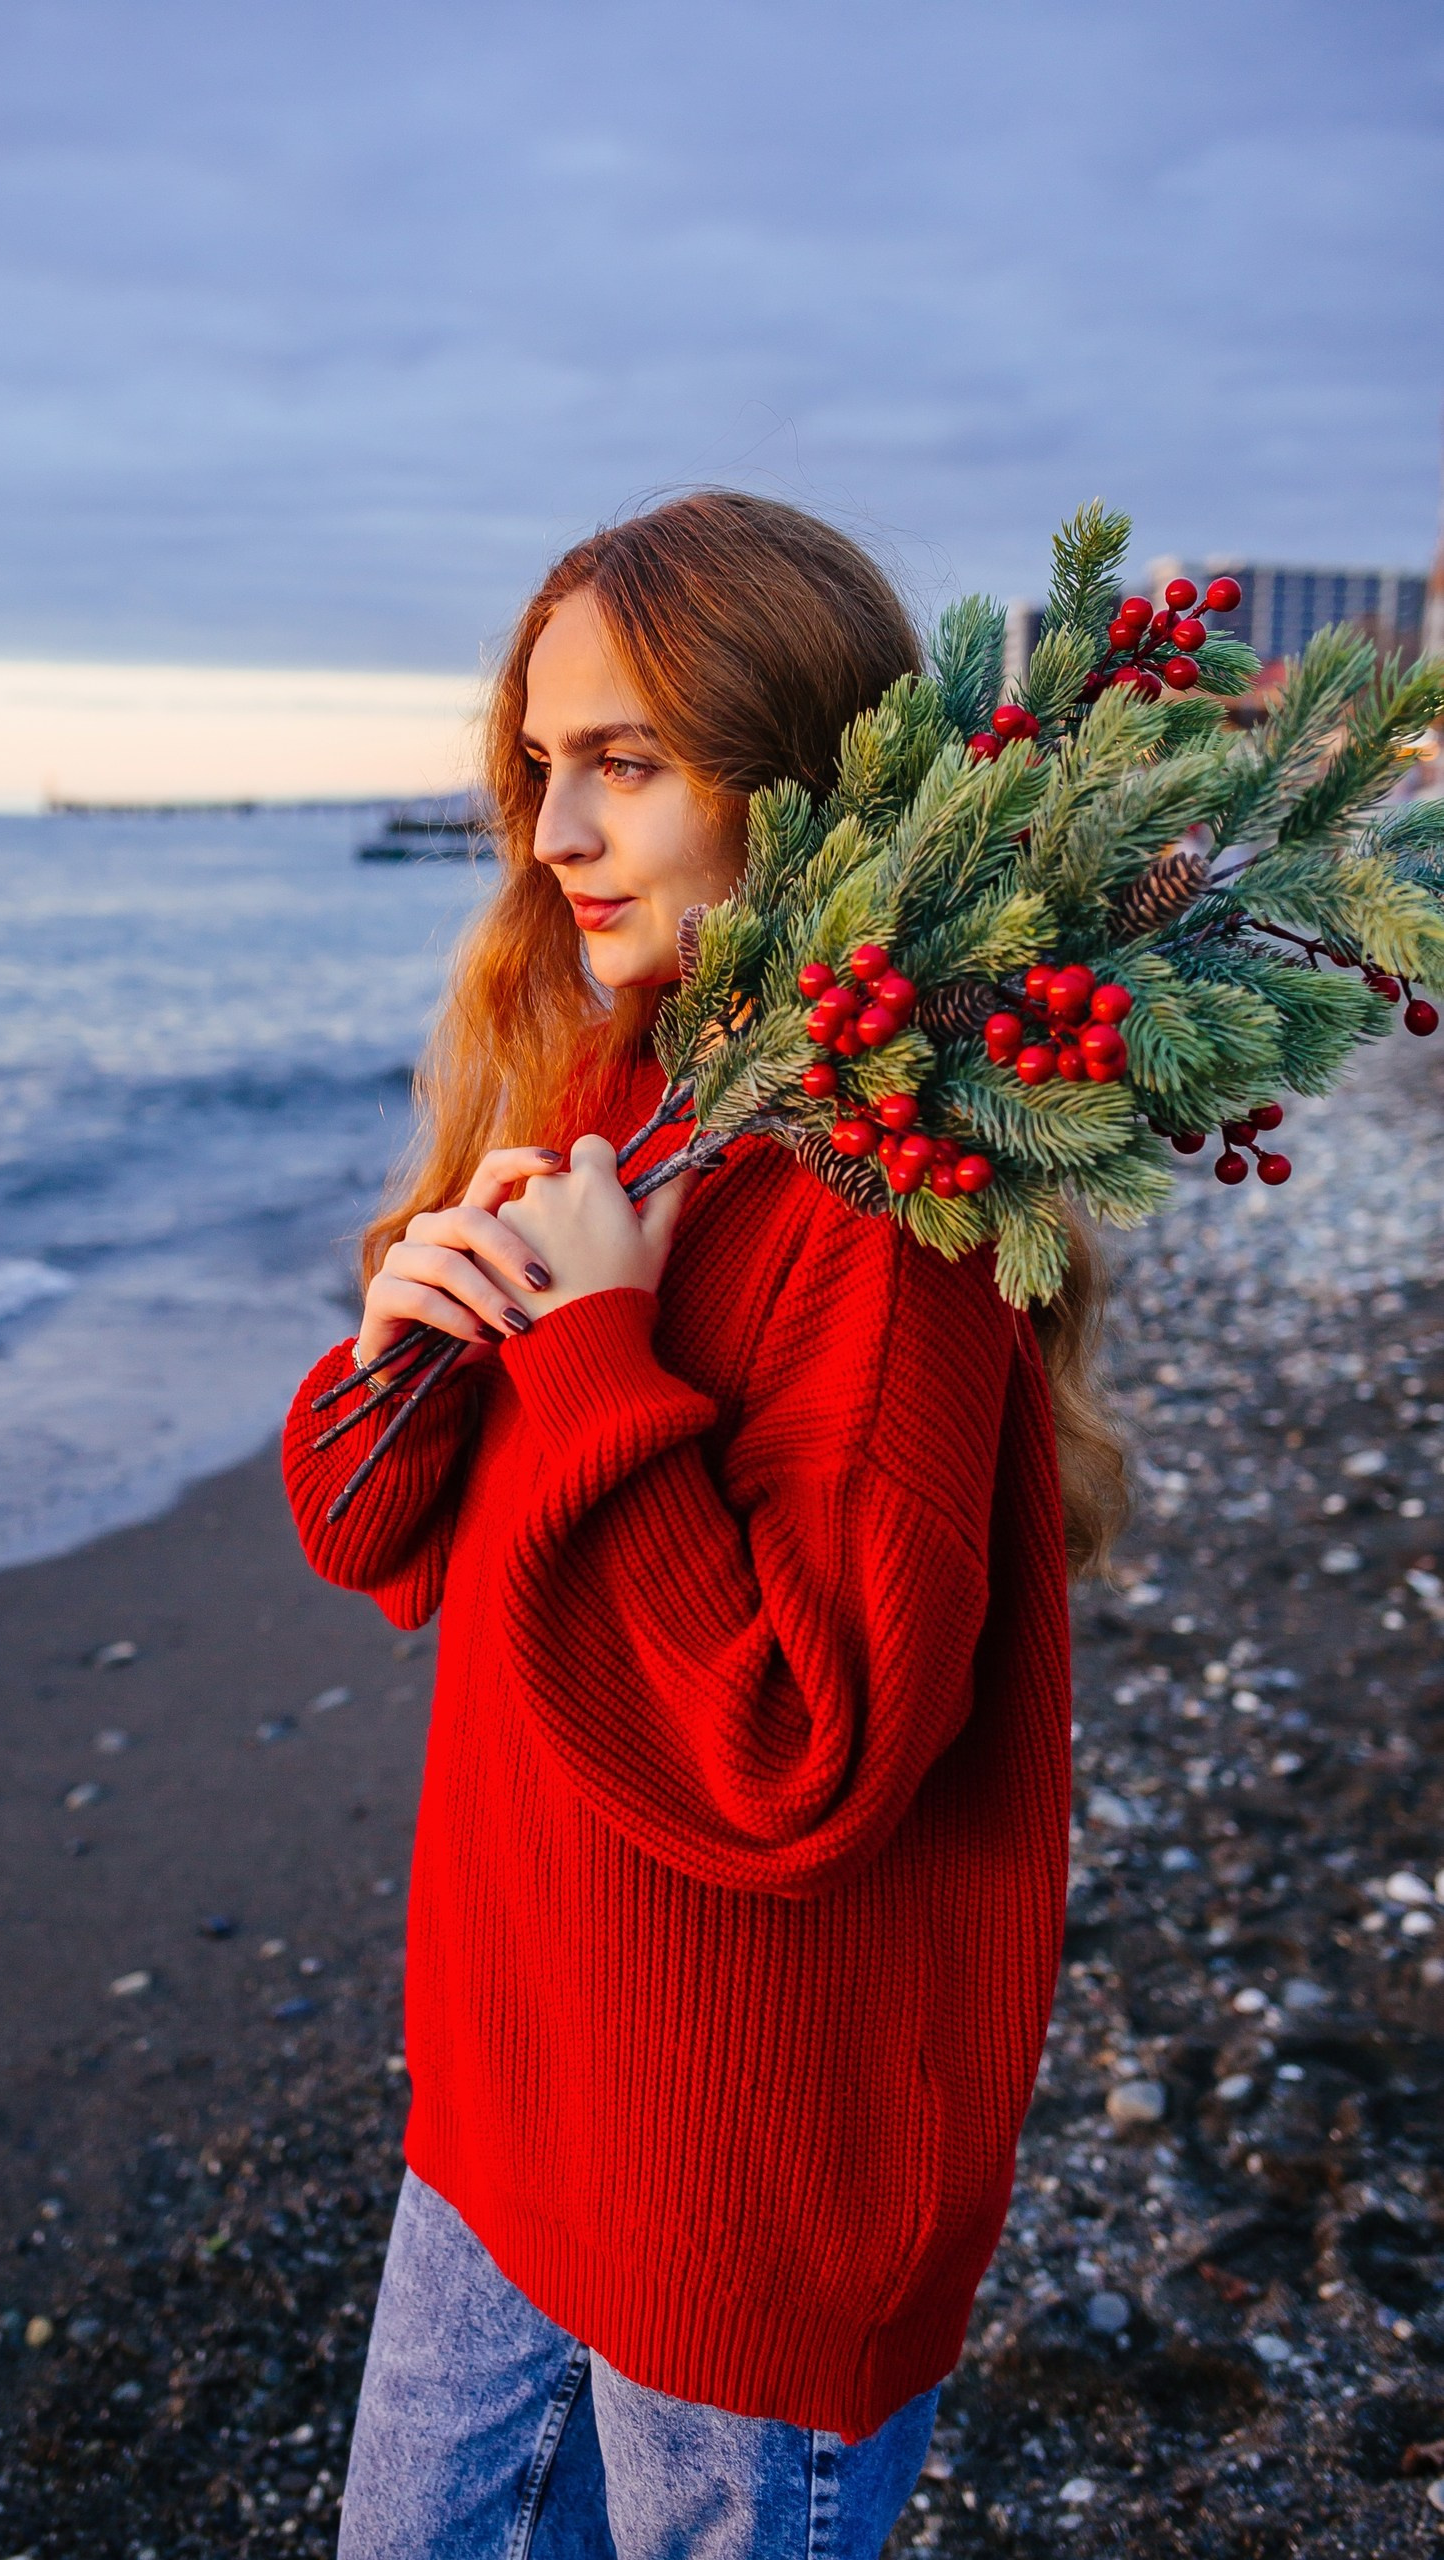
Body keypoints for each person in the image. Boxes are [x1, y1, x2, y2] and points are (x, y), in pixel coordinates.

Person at [282, 492, 1123, 2557]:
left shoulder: (876, 1214)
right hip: (498, 2117)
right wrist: (402, 1341)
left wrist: (586, 1359)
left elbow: (797, 1754)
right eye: (540, 766)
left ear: (807, 781)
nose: (552, 832)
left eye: (624, 764)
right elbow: (364, 1527)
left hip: (735, 2214)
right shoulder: (621, 1096)